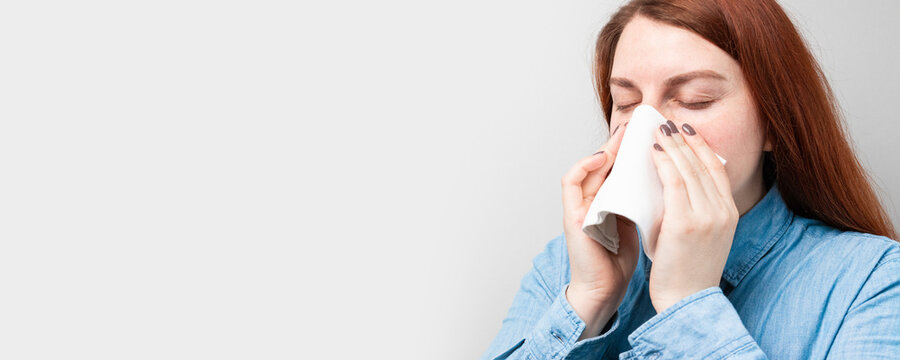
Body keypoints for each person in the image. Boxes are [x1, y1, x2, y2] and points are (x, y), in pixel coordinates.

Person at [481, 0, 900, 359]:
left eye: (694, 99)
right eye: (626, 103)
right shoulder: (566, 266)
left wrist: (688, 304)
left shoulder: (874, 281)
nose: (647, 127)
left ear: (773, 122)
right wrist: (589, 299)